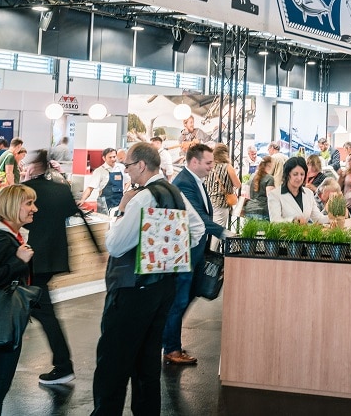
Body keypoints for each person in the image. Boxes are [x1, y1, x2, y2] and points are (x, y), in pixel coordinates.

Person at [91, 142, 205, 416]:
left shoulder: (142, 198)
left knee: (114, 363)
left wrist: (121, 211)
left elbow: (115, 245)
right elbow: (198, 229)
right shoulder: (174, 192)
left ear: (141, 165)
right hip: (162, 287)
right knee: (147, 363)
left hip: (133, 289)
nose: (126, 171)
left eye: (128, 165)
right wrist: (168, 251)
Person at [23, 151, 100, 385]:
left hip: (30, 258)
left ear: (35, 166)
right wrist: (96, 249)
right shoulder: (61, 189)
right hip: (53, 258)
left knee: (39, 310)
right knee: (33, 308)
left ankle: (63, 365)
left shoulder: (28, 190)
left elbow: (19, 220)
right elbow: (77, 215)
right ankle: (61, 364)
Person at [161, 142, 220, 366]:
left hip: (193, 252)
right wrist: (225, 233)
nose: (211, 167)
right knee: (179, 301)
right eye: (208, 163)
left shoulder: (194, 181)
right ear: (194, 161)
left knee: (185, 298)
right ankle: (171, 348)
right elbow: (199, 218)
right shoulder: (184, 183)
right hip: (184, 254)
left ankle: (170, 342)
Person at [0, 184, 37, 413]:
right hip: (2, 319)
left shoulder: (9, 236)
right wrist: (18, 262)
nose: (35, 209)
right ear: (13, 207)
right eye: (29, 203)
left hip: (4, 317)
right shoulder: (0, 239)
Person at [268, 156, 326, 224]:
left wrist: (331, 218)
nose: (299, 178)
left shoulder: (309, 193)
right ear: (287, 175)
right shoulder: (274, 195)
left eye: (302, 174)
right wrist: (293, 221)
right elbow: (274, 221)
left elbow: (318, 218)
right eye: (295, 174)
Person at [204, 144, 241, 232]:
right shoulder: (227, 167)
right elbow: (238, 184)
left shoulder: (208, 167)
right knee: (217, 231)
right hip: (221, 203)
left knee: (208, 230)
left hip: (207, 202)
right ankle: (214, 242)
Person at [80, 147, 123, 213]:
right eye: (110, 157)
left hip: (119, 203)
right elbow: (90, 188)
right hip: (105, 204)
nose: (113, 159)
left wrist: (125, 191)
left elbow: (128, 181)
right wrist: (82, 200)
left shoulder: (121, 167)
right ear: (104, 158)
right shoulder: (99, 171)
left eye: (114, 157)